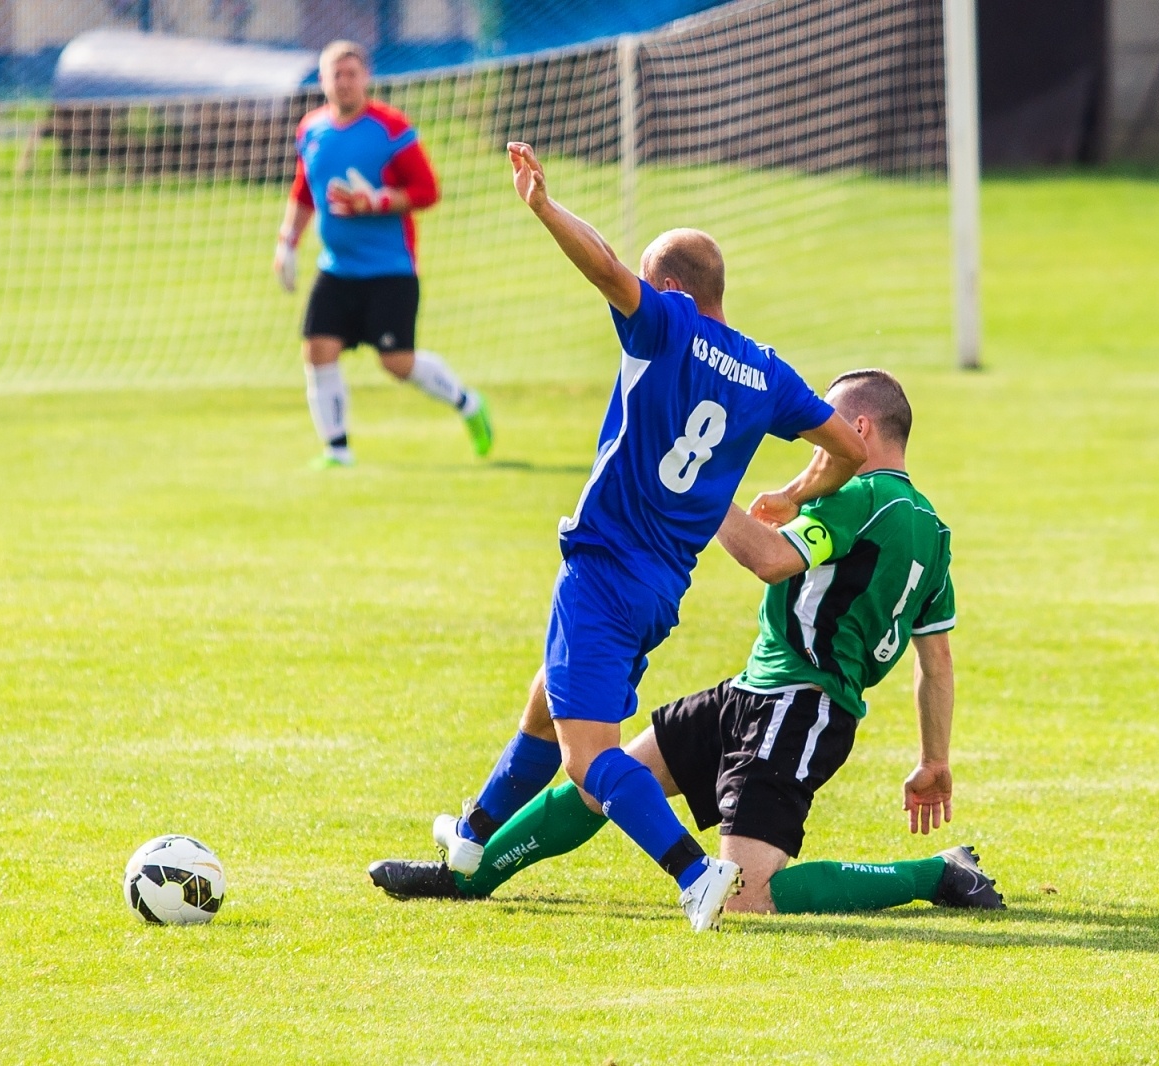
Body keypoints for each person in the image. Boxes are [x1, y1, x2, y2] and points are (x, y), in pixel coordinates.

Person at [412, 141, 867, 932]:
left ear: (673, 288)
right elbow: (852, 448)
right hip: (660, 587)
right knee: (546, 705)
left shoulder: (667, 324)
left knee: (591, 761)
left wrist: (545, 207)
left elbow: (605, 267)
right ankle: (474, 840)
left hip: (604, 569)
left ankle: (695, 875)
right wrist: (794, 491)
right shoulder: (769, 374)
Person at [370, 369, 1004, 915]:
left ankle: (939, 872)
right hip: (752, 692)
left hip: (801, 709)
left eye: (826, 426)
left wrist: (699, 487)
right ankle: (465, 876)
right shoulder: (933, 532)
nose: (818, 443)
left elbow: (767, 560)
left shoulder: (861, 495)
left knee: (747, 896)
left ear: (859, 430)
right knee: (598, 780)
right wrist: (934, 761)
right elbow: (936, 659)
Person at [276, 40, 493, 467]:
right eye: (335, 74)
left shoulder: (390, 127)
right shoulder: (311, 130)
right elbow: (304, 189)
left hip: (389, 268)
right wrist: (287, 241)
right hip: (336, 269)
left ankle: (468, 404)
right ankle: (337, 451)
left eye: (352, 73)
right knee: (317, 349)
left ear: (366, 79)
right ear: (322, 81)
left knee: (396, 363)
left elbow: (427, 191)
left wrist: (374, 202)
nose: (344, 82)